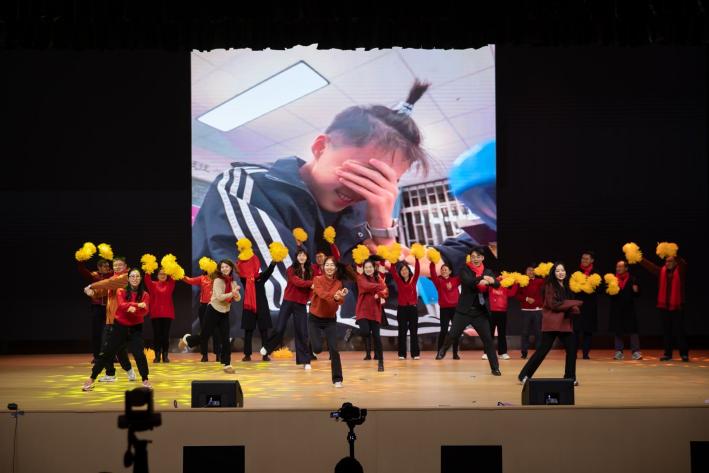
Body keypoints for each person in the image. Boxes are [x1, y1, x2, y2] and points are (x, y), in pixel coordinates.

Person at [192, 80, 480, 314]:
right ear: (320, 147)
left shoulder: (359, 220)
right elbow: (269, 311)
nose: (363, 191)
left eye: (382, 183)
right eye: (361, 173)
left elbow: (395, 310)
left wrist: (384, 239)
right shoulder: (247, 187)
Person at [436, 247, 502, 376]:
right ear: (470, 258)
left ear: (482, 258)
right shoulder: (465, 269)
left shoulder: (488, 271)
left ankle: (495, 368)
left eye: (478, 256)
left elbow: (497, 285)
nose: (475, 259)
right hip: (464, 311)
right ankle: (443, 349)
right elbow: (469, 282)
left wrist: (492, 281)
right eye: (473, 257)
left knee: (488, 340)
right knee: (453, 335)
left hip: (480, 312)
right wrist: (482, 278)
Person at [83, 269, 151, 391]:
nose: (135, 278)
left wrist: (135, 310)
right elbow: (122, 305)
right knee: (107, 352)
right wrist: (137, 305)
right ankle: (91, 378)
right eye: (132, 276)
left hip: (135, 328)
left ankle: (145, 379)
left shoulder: (145, 294)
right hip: (120, 327)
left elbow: (145, 311)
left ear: (140, 279)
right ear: (128, 278)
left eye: (137, 276)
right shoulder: (121, 291)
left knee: (139, 354)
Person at [518, 262, 582, 386]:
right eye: (557, 271)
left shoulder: (566, 286)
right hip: (552, 323)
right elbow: (553, 304)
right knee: (543, 350)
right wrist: (574, 303)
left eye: (562, 270)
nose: (560, 273)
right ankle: (524, 375)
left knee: (572, 348)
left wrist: (573, 307)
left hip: (564, 323)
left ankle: (570, 377)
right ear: (553, 273)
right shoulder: (550, 286)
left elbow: (566, 303)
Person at [179, 260, 241, 373]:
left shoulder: (232, 281)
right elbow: (220, 297)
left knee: (225, 338)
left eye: (227, 267)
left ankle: (227, 364)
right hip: (213, 310)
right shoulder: (217, 280)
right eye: (222, 267)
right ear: (220, 269)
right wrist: (232, 293)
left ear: (231, 268)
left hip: (225, 312)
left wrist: (236, 295)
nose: (224, 269)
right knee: (204, 336)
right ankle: (187, 339)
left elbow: (237, 298)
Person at [84, 256, 135, 382]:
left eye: (120, 265)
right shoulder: (113, 279)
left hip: (120, 319)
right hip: (110, 319)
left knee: (106, 347)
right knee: (119, 348)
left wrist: (91, 286)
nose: (117, 267)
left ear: (125, 266)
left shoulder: (125, 277)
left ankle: (110, 373)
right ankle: (129, 371)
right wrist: (93, 293)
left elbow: (108, 283)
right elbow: (103, 290)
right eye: (115, 265)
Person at [261, 249, 314, 365]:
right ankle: (268, 347)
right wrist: (312, 283)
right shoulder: (291, 269)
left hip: (301, 303)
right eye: (299, 255)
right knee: (279, 328)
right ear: (296, 257)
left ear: (307, 257)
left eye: (304, 255)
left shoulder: (311, 270)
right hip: (288, 301)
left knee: (302, 332)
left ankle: (305, 361)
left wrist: (310, 298)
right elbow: (297, 282)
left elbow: (312, 289)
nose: (302, 257)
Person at [309, 256, 354, 386]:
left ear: (335, 268)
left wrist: (339, 297)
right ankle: (313, 347)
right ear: (323, 267)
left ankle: (337, 379)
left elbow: (340, 301)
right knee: (317, 349)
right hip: (314, 318)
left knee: (334, 349)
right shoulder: (317, 279)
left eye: (332, 265)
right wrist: (334, 296)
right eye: (327, 265)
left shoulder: (338, 283)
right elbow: (321, 294)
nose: (329, 267)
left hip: (330, 320)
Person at [639, 251, 688, 361]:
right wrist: (640, 259)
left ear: (675, 262)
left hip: (677, 306)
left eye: (670, 261)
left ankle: (684, 354)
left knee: (679, 331)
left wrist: (673, 253)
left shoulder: (680, 271)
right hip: (664, 306)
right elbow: (651, 267)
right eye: (666, 261)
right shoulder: (662, 271)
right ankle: (668, 354)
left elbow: (683, 263)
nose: (667, 263)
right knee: (666, 331)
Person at [77, 258, 113, 363]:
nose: (107, 268)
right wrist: (81, 260)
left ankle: (111, 355)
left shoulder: (111, 275)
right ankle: (96, 356)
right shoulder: (94, 275)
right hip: (97, 307)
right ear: (99, 267)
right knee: (96, 332)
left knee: (110, 332)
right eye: (105, 266)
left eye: (108, 266)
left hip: (109, 307)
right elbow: (82, 270)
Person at [240, 258, 276, 361]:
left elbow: (269, 271)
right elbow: (239, 270)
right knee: (248, 331)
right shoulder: (244, 278)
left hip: (262, 307)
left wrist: (273, 262)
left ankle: (265, 354)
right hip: (249, 307)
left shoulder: (261, 277)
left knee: (264, 331)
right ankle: (247, 355)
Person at [355, 258, 388, 371]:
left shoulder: (378, 278)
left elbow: (386, 292)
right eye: (366, 267)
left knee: (377, 337)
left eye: (370, 267)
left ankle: (381, 362)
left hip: (375, 311)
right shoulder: (360, 278)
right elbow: (366, 286)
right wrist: (381, 287)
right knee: (365, 332)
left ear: (374, 268)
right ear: (363, 269)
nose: (368, 269)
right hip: (363, 310)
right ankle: (353, 332)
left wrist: (380, 294)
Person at [182, 269, 221, 361]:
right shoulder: (202, 278)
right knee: (204, 332)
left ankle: (218, 354)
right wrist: (180, 275)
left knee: (216, 332)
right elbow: (190, 280)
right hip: (204, 307)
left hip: (216, 306)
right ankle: (204, 355)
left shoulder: (219, 278)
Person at [608, 260, 642, 360]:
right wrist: (610, 289)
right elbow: (608, 293)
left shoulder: (632, 279)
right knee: (618, 329)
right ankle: (619, 352)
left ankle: (635, 352)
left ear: (626, 268)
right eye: (617, 267)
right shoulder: (613, 279)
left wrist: (636, 290)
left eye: (620, 267)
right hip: (617, 308)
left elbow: (638, 294)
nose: (618, 268)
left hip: (629, 308)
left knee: (633, 330)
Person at [389, 259, 421, 360]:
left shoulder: (414, 279)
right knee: (402, 332)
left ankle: (415, 354)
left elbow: (418, 270)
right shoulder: (398, 280)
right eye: (402, 270)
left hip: (412, 309)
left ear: (409, 271)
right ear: (400, 272)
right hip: (402, 309)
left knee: (413, 332)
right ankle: (402, 354)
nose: (404, 271)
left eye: (406, 269)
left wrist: (416, 259)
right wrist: (392, 260)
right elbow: (393, 271)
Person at [429, 260, 461, 359]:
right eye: (442, 270)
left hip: (455, 309)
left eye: (445, 269)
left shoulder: (455, 280)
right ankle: (439, 352)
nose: (443, 271)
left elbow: (464, 274)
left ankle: (455, 353)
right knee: (443, 330)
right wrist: (432, 262)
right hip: (444, 309)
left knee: (455, 331)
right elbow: (432, 273)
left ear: (450, 271)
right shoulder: (438, 281)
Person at [144, 268, 176, 363]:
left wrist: (170, 266)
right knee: (157, 335)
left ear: (167, 275)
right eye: (160, 274)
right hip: (155, 313)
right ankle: (157, 356)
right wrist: (149, 267)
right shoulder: (153, 284)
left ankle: (165, 355)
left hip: (167, 314)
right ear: (157, 275)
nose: (162, 275)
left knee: (165, 335)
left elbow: (173, 276)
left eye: (164, 274)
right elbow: (146, 279)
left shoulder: (170, 284)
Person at [484, 275, 518, 360]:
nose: (499, 281)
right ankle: (487, 353)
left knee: (502, 333)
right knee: (490, 333)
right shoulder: (490, 287)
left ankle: (502, 353)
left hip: (502, 313)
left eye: (501, 280)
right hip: (492, 312)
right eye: (498, 279)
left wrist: (515, 283)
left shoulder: (505, 288)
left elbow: (512, 293)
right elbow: (484, 286)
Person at [515, 264, 544, 359]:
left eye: (532, 270)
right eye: (529, 270)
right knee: (525, 332)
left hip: (537, 310)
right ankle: (524, 353)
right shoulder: (522, 281)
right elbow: (517, 295)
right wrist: (526, 298)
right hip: (526, 310)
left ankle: (539, 353)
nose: (531, 272)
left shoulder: (540, 281)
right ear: (525, 272)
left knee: (538, 332)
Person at [574, 251, 599, 359]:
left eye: (586, 259)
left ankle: (585, 353)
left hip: (590, 306)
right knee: (575, 330)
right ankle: (573, 353)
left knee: (588, 331)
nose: (584, 260)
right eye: (583, 258)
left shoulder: (596, 273)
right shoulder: (576, 272)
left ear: (592, 260)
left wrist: (592, 286)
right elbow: (571, 287)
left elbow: (600, 290)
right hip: (577, 305)